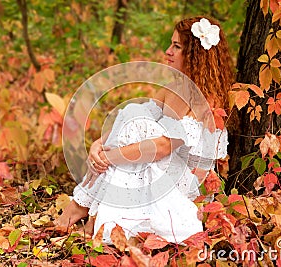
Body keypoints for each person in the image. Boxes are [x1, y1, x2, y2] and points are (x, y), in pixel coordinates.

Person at [55, 16, 234, 244]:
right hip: (159, 163)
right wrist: (98, 145)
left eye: (177, 46)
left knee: (135, 152)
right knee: (133, 113)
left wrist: (110, 157)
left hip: (183, 180)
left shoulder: (208, 99)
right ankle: (87, 212)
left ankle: (84, 211)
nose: (168, 51)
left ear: (195, 54)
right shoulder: (172, 88)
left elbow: (162, 148)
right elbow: (132, 120)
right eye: (171, 44)